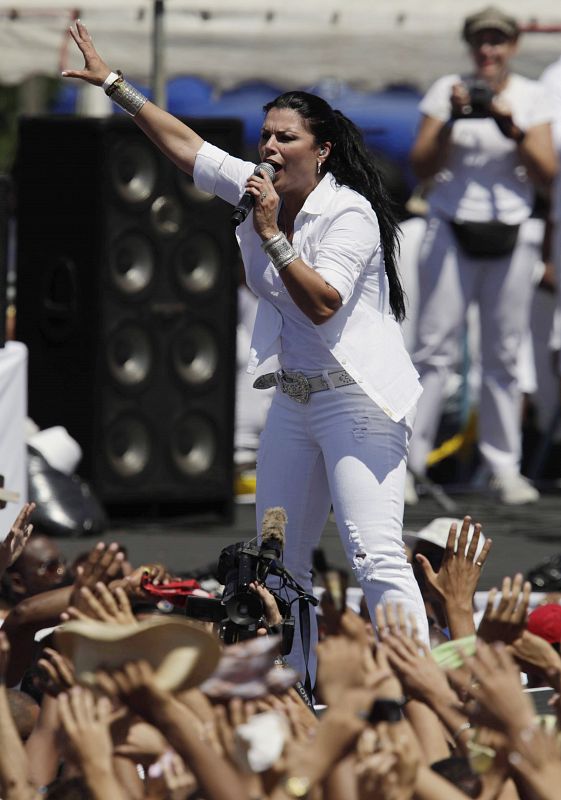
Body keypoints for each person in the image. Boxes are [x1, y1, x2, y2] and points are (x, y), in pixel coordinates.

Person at [62, 21, 429, 684]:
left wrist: (270, 236)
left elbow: (323, 304)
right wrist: (115, 86)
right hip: (293, 400)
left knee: (373, 554)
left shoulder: (346, 214)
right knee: (276, 560)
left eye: (284, 137)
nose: (268, 147)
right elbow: (187, 149)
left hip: (357, 402)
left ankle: (424, 682)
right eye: (264, 136)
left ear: (320, 150)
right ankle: (292, 681)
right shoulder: (260, 187)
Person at [407, 6, 558, 505]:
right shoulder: (447, 88)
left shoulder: (532, 96)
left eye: (497, 42)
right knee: (432, 349)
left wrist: (508, 125)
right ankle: (410, 463)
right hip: (451, 227)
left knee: (503, 354)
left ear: (512, 47)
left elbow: (545, 172)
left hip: (511, 231)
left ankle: (504, 467)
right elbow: (421, 163)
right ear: (471, 48)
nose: (488, 51)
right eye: (481, 43)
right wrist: (453, 117)